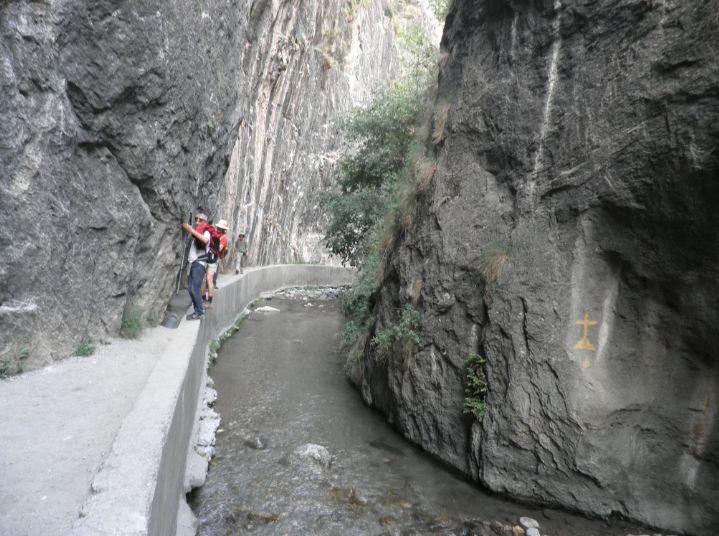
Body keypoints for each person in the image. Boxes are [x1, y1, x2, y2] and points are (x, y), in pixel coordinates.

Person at [182, 213, 210, 320]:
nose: (197, 222)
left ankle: (200, 312)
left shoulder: (206, 232)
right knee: (191, 289)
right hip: (194, 264)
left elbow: (205, 240)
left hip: (199, 264)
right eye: (196, 219)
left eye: (201, 220)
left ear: (205, 222)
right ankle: (197, 311)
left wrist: (190, 229)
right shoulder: (198, 232)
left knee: (194, 289)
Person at [204, 219, 229, 307]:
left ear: (223, 229)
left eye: (220, 228)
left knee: (209, 279)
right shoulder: (217, 234)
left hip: (214, 259)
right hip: (209, 257)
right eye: (218, 227)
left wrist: (211, 245)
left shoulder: (224, 238)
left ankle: (209, 300)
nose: (218, 228)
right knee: (206, 279)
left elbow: (218, 249)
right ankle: (205, 298)